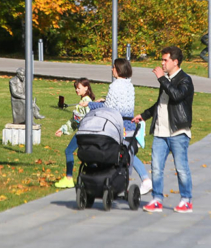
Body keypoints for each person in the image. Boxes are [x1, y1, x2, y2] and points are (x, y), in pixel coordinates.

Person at [133, 46, 194, 213]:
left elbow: (176, 96)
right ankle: (157, 200)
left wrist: (162, 79)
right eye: (162, 59)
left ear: (175, 62)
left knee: (181, 168)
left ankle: (186, 200)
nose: (162, 63)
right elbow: (161, 104)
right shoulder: (166, 80)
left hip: (177, 132)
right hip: (161, 132)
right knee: (157, 168)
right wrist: (144, 115)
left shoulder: (185, 80)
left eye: (165, 60)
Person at [96, 59, 152, 195]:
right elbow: (119, 103)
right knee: (127, 153)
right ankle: (138, 179)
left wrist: (92, 104)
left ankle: (144, 179)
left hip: (118, 126)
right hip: (129, 123)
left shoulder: (114, 85)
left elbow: (108, 107)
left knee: (119, 154)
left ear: (118, 69)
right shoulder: (129, 85)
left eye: (113, 67)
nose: (112, 70)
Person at [54, 78, 97, 189]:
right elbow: (74, 120)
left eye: (79, 88)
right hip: (87, 133)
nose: (76, 90)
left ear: (86, 88)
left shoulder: (86, 102)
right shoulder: (85, 101)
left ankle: (69, 178)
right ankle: (95, 177)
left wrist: (64, 129)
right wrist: (63, 129)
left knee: (69, 151)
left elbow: (77, 120)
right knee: (87, 156)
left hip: (84, 133)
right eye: (76, 88)